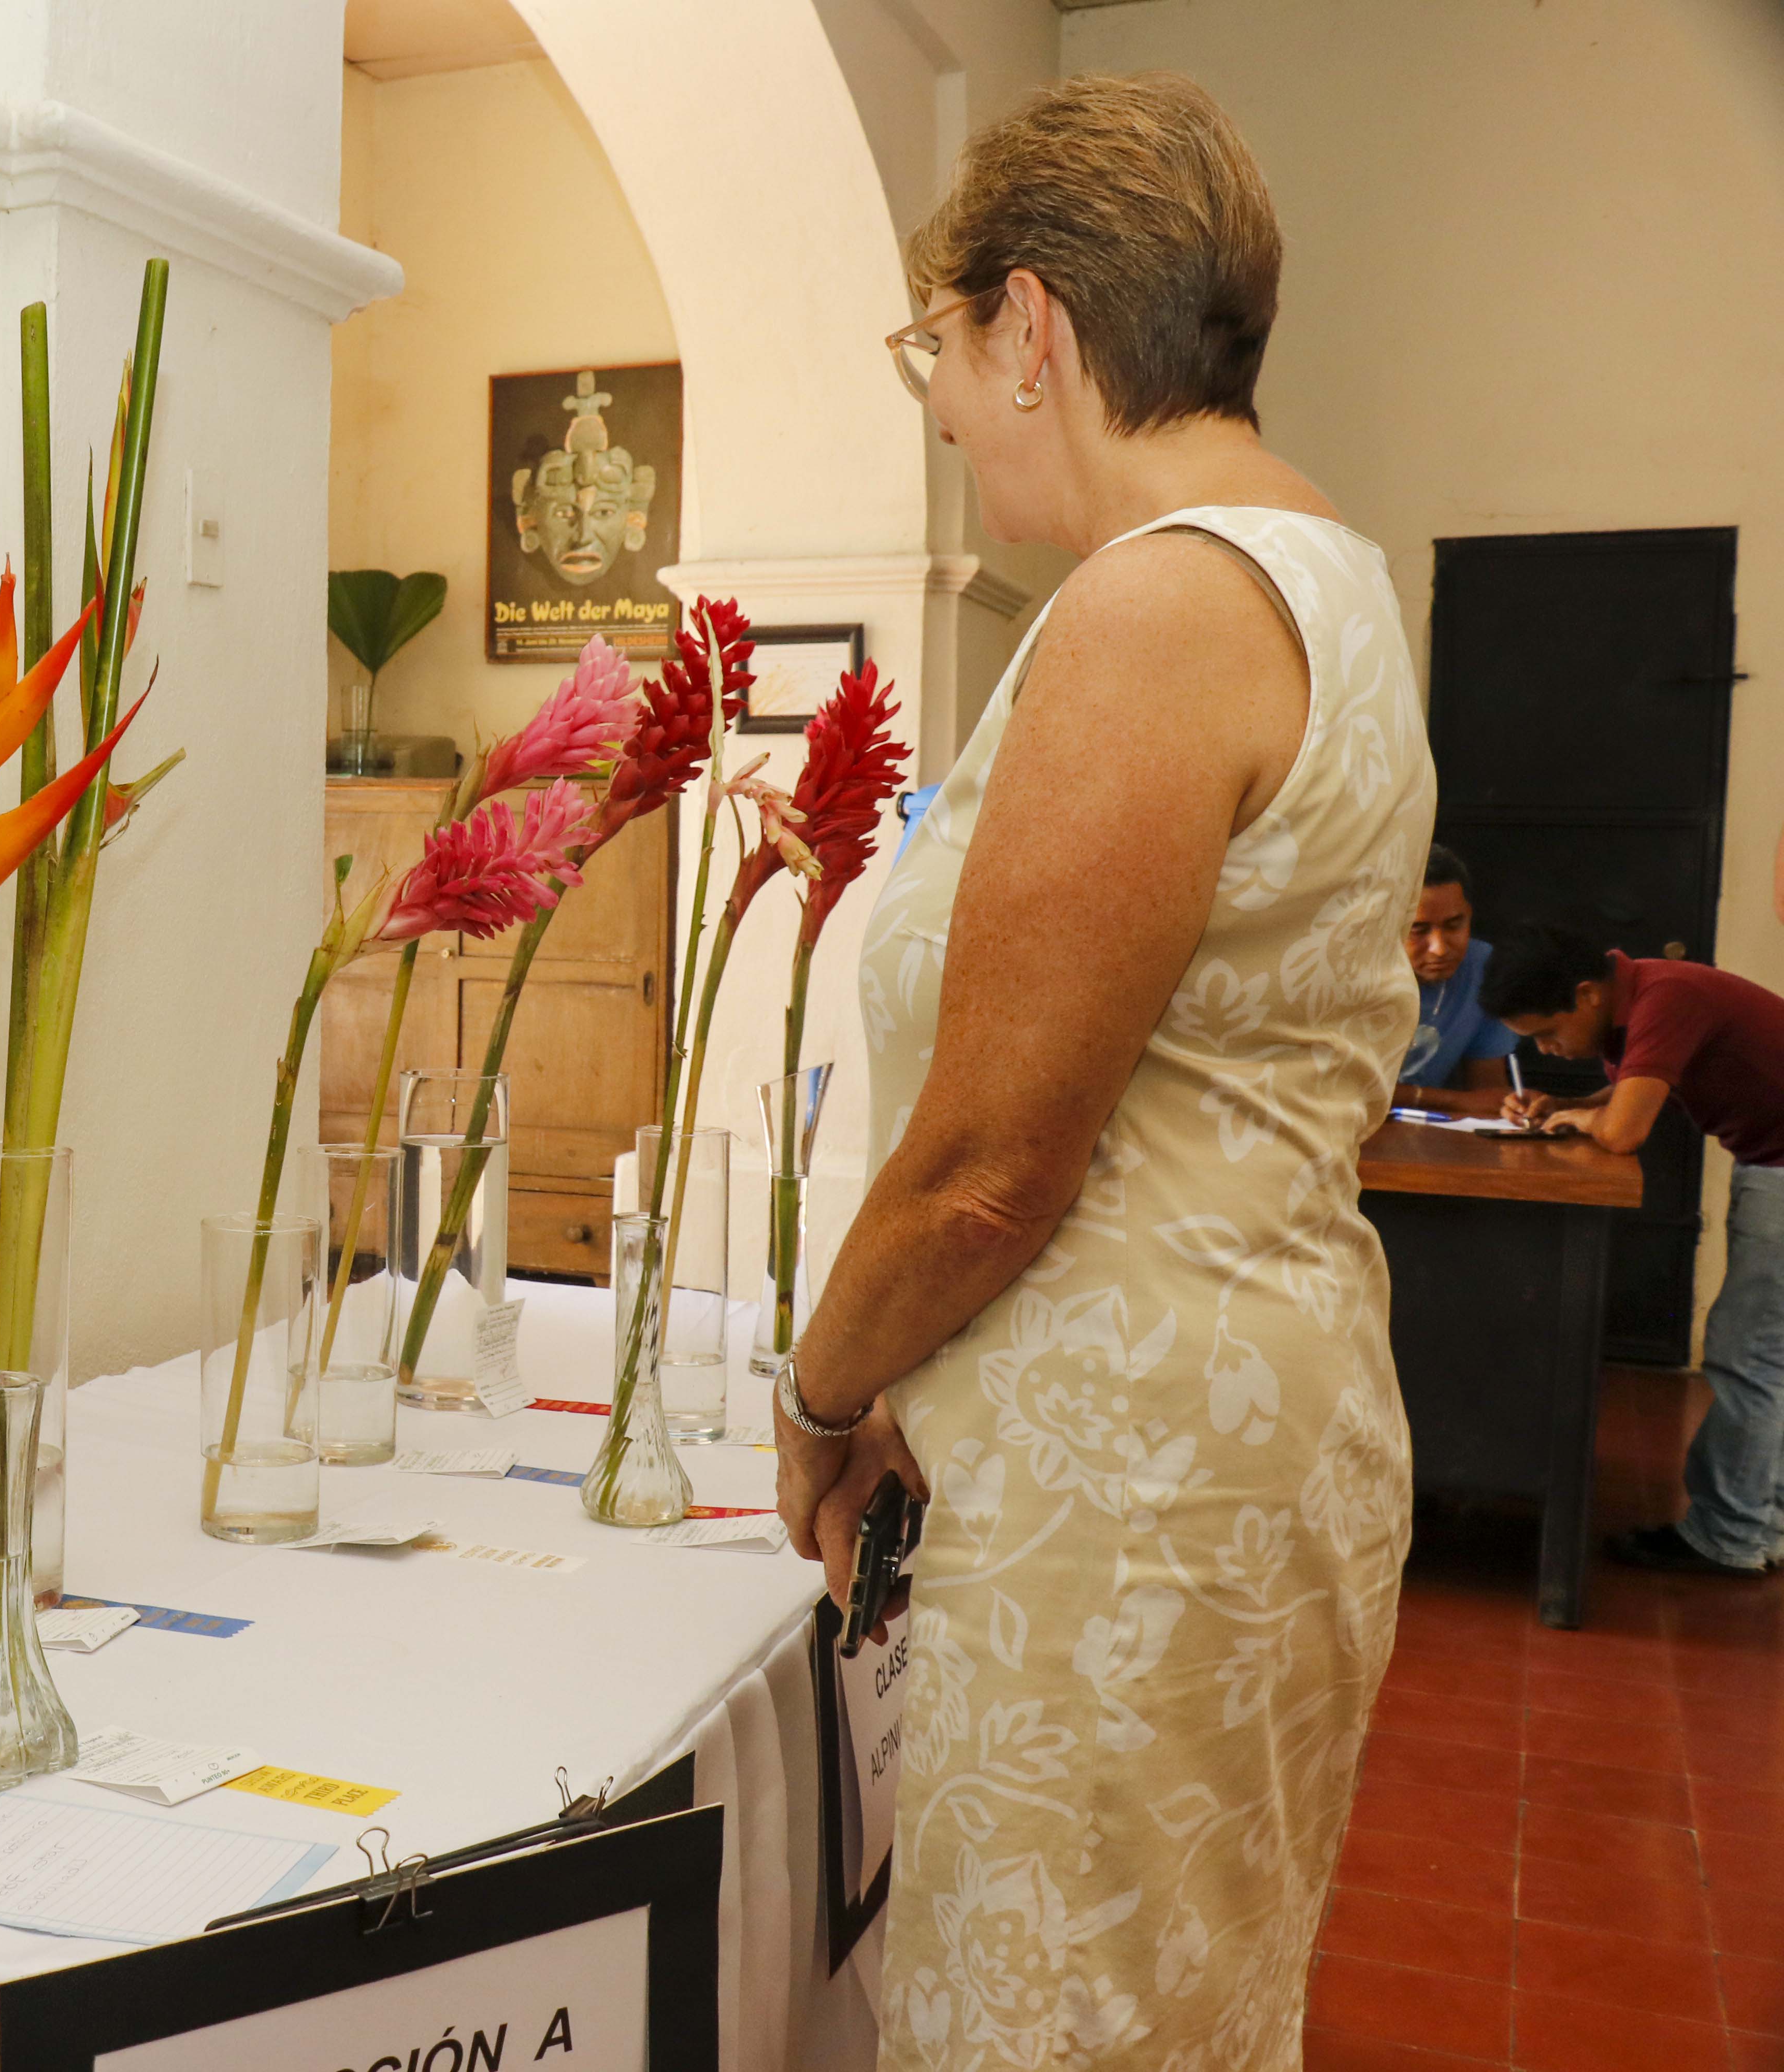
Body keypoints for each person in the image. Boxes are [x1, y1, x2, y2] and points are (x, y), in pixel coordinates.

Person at [782, 74, 1432, 2067]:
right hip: (1226, 1437)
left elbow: (992, 1162)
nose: (942, 405)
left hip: (1134, 1505)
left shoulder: (1158, 604)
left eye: (935, 344)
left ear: (1030, 326)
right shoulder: (1326, 574)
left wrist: (823, 1391)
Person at [1488, 923, 1784, 1577]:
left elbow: (1624, 1131)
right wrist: (1569, 1104)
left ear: (1587, 994)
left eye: (1548, 1033)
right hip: (1771, 1157)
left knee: (1749, 1353)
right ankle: (1761, 1523)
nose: (1548, 1050)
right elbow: (1637, 1088)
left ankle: (1730, 1538)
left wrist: (1586, 1119)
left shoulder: (1665, 997)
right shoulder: (1642, 994)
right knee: (1769, 1354)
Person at [1394, 844, 1522, 1116]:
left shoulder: (1483, 968)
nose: (1440, 949)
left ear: (1470, 915)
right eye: (1418, 930)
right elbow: (1346, 1094)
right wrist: (1455, 1101)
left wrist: (1513, 1108)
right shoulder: (1348, 976)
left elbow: (1488, 1094)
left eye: (1454, 926)